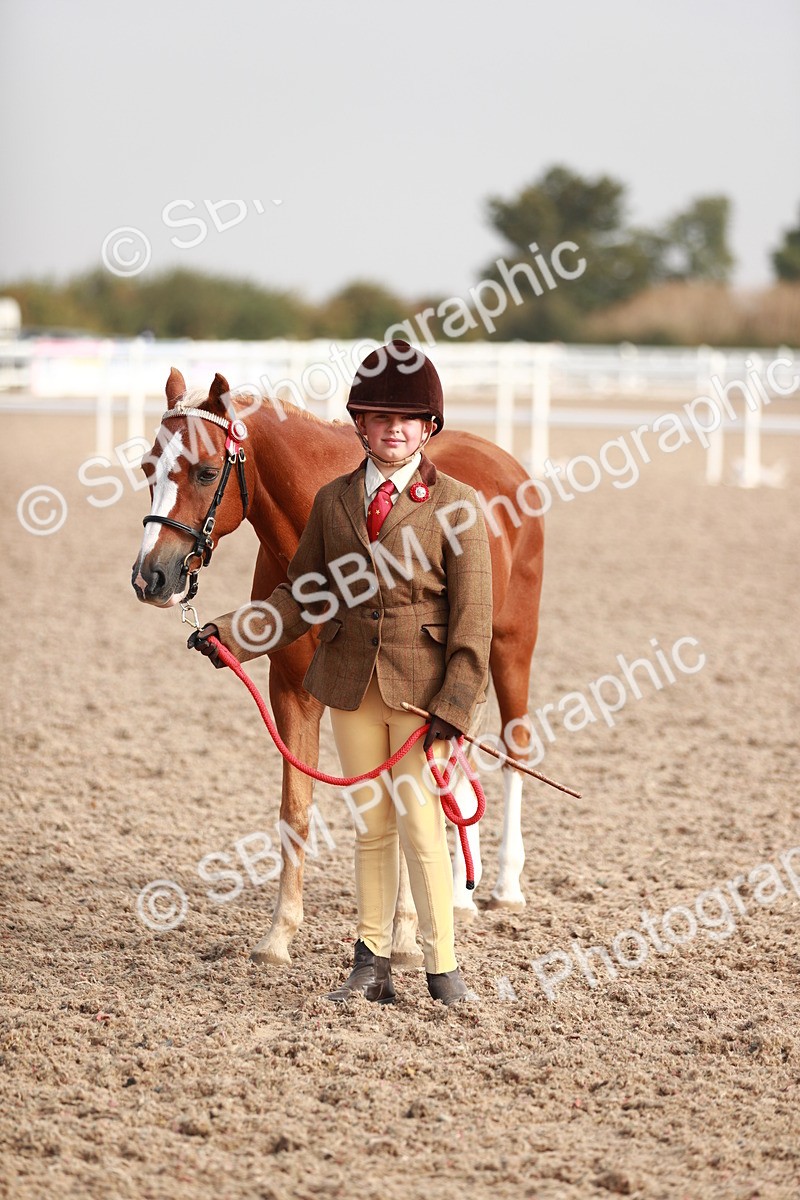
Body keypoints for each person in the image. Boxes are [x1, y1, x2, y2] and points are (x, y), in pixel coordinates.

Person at [189, 340, 493, 1006]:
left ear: (428, 427)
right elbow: (303, 596)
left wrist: (457, 708)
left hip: (419, 698)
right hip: (353, 686)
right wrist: (234, 634)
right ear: (359, 424)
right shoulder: (333, 502)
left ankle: (443, 966)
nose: (393, 429)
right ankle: (370, 960)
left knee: (419, 825)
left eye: (407, 419)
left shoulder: (458, 504)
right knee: (371, 826)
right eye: (379, 418)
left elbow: (473, 624)